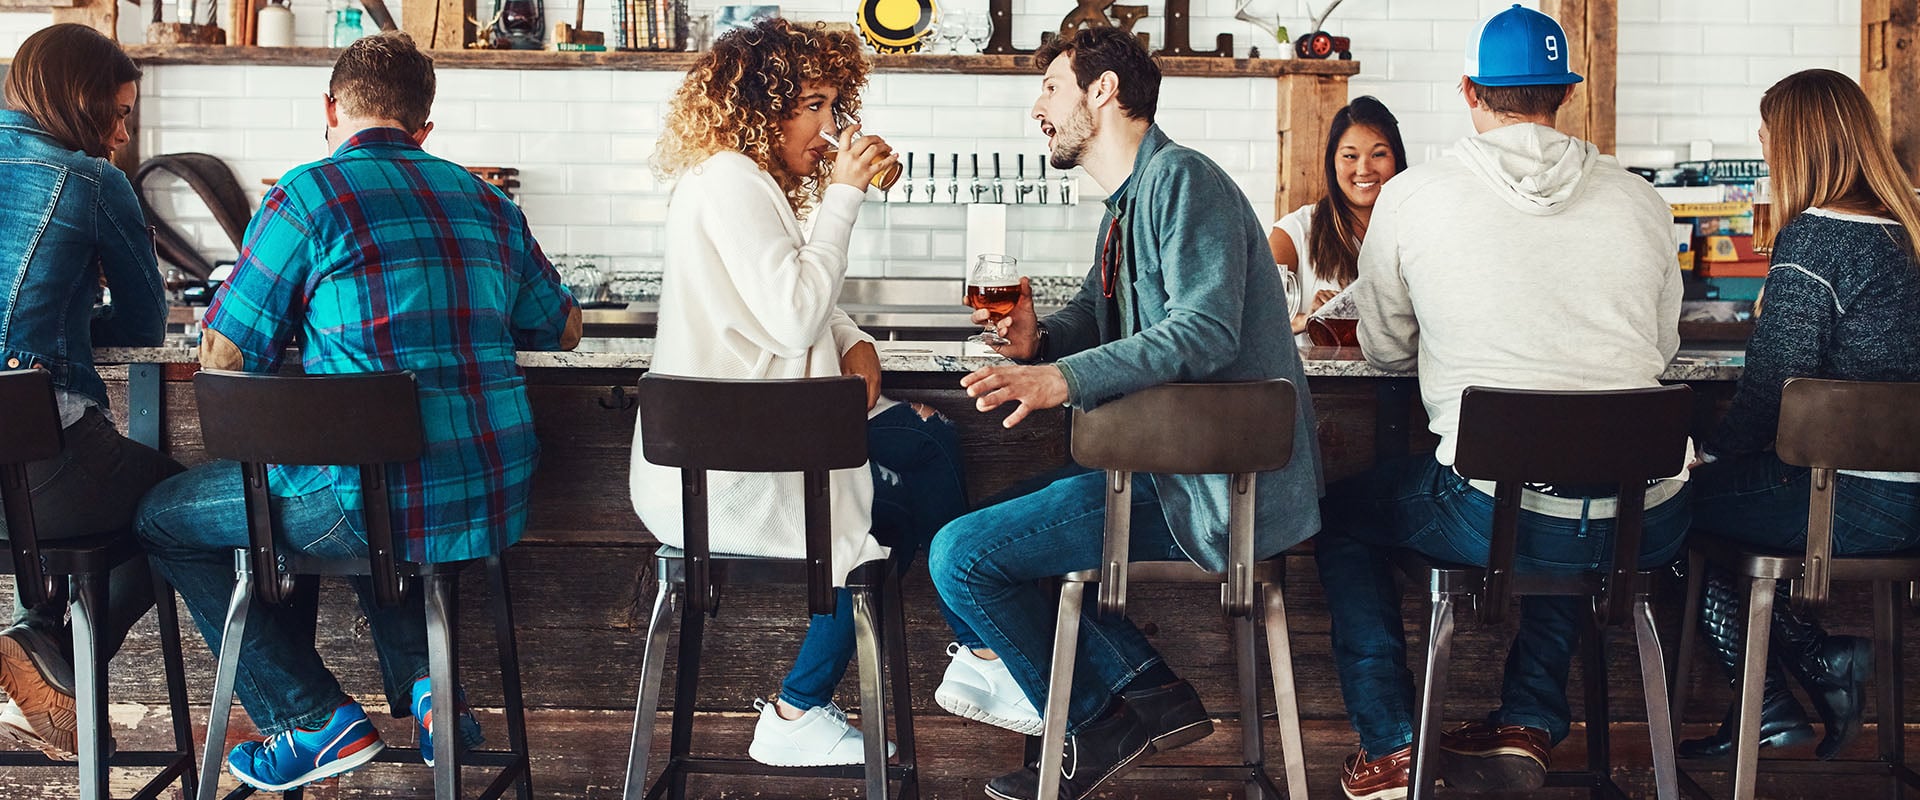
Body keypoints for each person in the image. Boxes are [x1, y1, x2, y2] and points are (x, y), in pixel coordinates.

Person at [132, 33, 581, 793]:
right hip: (488, 497)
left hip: (367, 503)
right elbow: (563, 329)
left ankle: (310, 715)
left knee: (166, 519)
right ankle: (431, 690)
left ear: (329, 109)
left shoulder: (309, 193)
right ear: (425, 128)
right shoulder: (486, 200)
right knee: (376, 503)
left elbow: (226, 355)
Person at [927, 26, 1321, 800]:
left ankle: (1095, 722)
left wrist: (1058, 379)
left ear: (1101, 92)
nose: (1037, 106)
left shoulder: (1183, 181)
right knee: (996, 520)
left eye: (1050, 87)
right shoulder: (1125, 206)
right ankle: (1149, 691)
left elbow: (1205, 332)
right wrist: (1038, 338)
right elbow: (1095, 316)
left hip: (1213, 490)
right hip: (1165, 472)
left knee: (962, 557)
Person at [1315, 6, 1691, 798]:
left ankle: (1390, 745)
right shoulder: (1640, 198)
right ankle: (1526, 719)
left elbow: (1384, 349)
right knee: (1575, 475)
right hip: (1647, 516)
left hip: (1491, 509)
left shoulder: (1412, 197)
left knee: (1344, 519)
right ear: (1563, 93)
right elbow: (1658, 356)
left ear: (1468, 92)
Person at [627, 17, 976, 769]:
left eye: (831, 106)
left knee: (909, 478)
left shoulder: (740, 180)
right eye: (813, 106)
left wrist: (849, 333)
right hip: (733, 475)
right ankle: (965, 652)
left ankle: (803, 706)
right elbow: (789, 314)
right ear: (760, 106)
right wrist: (844, 197)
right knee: (916, 465)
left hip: (741, 449)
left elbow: (773, 281)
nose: (830, 127)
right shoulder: (730, 178)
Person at [1679, 68, 1920, 762]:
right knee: (1707, 505)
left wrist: (1708, 458)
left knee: (1665, 507)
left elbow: (1768, 395)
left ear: (1797, 147)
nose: (1763, 159)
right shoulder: (1904, 235)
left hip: (1842, 502)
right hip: (1910, 504)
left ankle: (1786, 695)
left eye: (1766, 143)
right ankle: (1811, 674)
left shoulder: (1816, 238)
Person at [0, 23, 176, 759]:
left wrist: (60, 305)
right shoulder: (88, 180)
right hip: (42, 468)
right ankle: (38, 641)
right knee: (186, 513)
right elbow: (145, 320)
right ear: (84, 102)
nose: (125, 131)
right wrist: (78, 313)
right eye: (121, 111)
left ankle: (40, 657)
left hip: (17, 488)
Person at [1268, 96, 1407, 337]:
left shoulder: (1418, 228)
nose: (1364, 169)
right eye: (1350, 156)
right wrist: (1308, 319)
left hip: (1405, 374)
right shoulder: (1294, 232)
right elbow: (1257, 318)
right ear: (1332, 162)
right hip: (1318, 376)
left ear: (1397, 159)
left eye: (1378, 154)